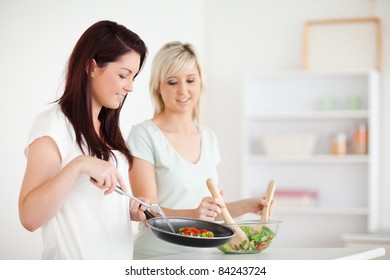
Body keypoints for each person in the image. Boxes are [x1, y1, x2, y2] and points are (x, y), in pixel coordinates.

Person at [127, 41, 272, 259]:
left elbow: (209, 213)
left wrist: (249, 205)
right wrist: (193, 215)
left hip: (203, 255)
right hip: (157, 256)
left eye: (190, 80)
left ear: (201, 83)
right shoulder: (144, 135)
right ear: (158, 86)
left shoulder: (209, 137)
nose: (183, 90)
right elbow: (147, 213)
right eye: (172, 82)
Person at [18, 20, 149, 260]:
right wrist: (79, 165)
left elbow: (96, 205)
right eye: (123, 75)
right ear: (91, 67)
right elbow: (29, 217)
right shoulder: (53, 125)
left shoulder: (109, 129)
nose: (130, 87)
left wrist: (132, 208)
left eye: (134, 77)